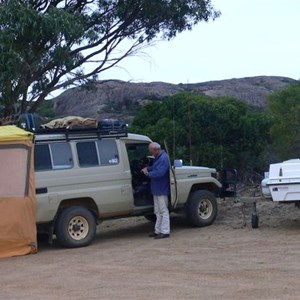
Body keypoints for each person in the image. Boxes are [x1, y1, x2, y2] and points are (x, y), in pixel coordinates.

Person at [141, 142, 171, 239]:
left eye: (151, 151)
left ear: (156, 150)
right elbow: (154, 168)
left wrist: (147, 174)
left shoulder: (163, 158)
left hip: (161, 189)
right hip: (156, 189)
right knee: (157, 211)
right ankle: (158, 230)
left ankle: (165, 231)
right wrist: (148, 168)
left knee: (163, 211)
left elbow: (160, 172)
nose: (151, 153)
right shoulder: (159, 158)